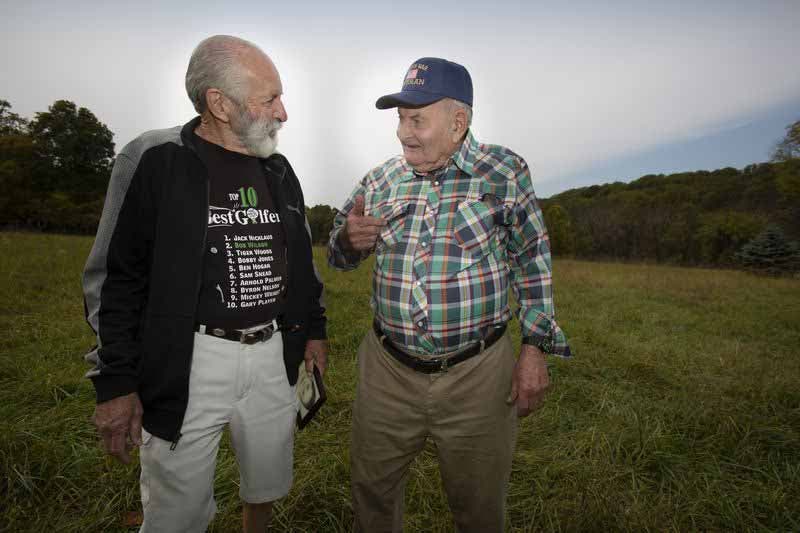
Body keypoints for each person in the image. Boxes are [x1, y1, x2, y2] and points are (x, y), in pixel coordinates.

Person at [82, 35, 327, 532]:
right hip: (187, 359)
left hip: (272, 352)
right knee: (178, 509)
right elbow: (115, 278)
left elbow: (299, 259)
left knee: (267, 481)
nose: (284, 112)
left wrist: (315, 329)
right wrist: (115, 382)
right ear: (219, 102)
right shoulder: (154, 159)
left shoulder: (278, 169)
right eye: (269, 99)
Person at [328, 57, 570, 532]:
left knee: (479, 507)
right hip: (387, 372)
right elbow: (337, 251)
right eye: (399, 117)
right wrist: (346, 240)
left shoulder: (504, 172)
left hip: (477, 376)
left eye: (416, 118)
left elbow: (533, 261)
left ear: (458, 123)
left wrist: (534, 349)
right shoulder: (380, 180)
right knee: (370, 496)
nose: (402, 132)